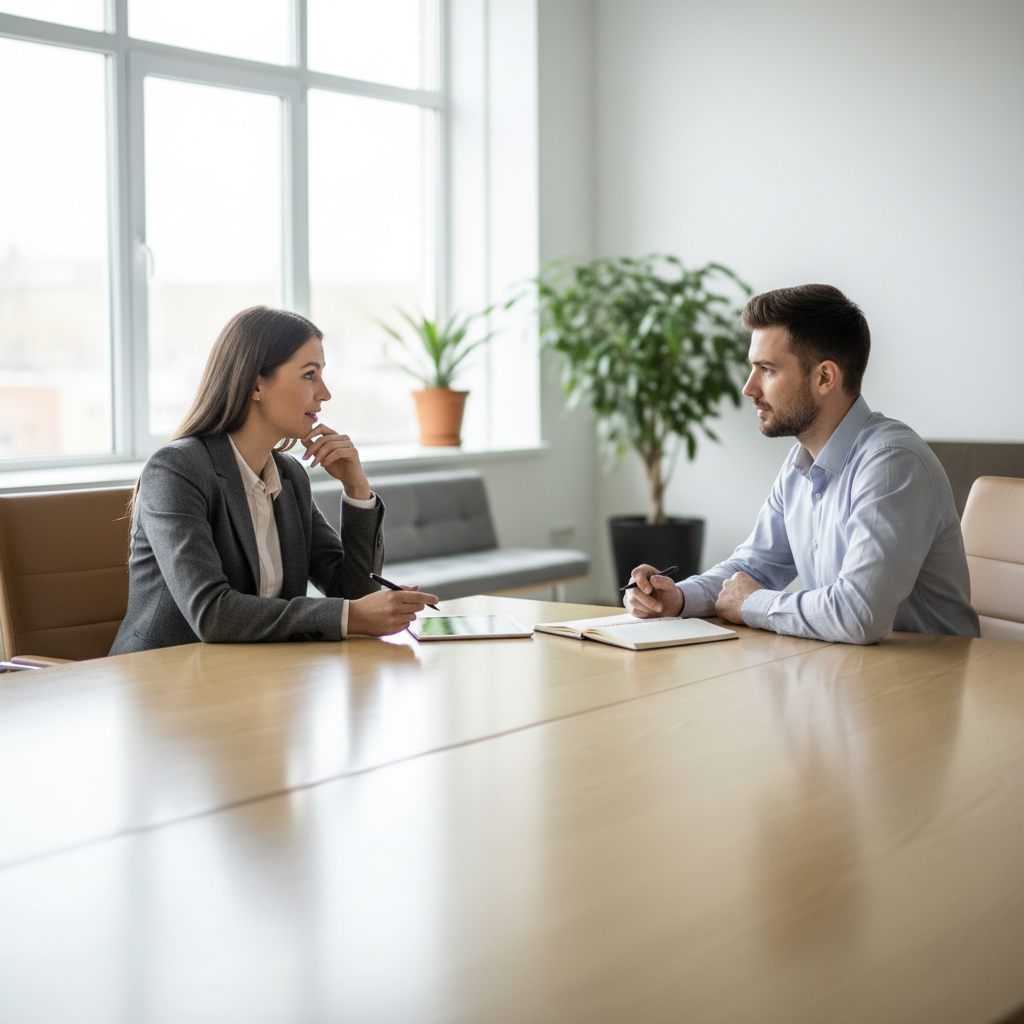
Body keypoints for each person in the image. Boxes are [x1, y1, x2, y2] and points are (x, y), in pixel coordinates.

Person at [624, 284, 980, 645]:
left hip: (928, 673)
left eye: (766, 369)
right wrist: (678, 598)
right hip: (850, 667)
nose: (749, 388)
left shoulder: (892, 464)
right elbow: (752, 568)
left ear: (824, 377)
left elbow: (859, 614)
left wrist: (751, 603)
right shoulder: (801, 465)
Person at [110, 306, 437, 655]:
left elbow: (353, 593)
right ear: (255, 384)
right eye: (309, 375)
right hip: (165, 673)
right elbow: (211, 612)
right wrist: (351, 616)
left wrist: (357, 490)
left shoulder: (289, 476)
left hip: (259, 671)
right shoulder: (176, 470)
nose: (325, 393)